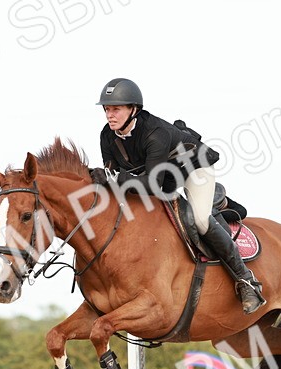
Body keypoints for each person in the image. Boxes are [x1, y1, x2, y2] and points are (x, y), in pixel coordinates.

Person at [90, 77, 265, 314]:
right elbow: (115, 177)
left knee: (200, 221)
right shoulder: (107, 135)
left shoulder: (155, 132)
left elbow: (151, 185)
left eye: (116, 109)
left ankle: (246, 281)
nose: (110, 115)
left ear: (134, 109)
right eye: (107, 109)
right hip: (162, 176)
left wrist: (114, 177)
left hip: (194, 169)